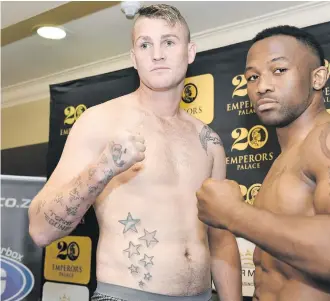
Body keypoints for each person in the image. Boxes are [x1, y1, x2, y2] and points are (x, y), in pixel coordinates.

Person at [28, 4, 242, 301]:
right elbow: (40, 230)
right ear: (134, 58)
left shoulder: (210, 141)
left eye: (168, 42)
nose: (157, 54)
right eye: (145, 44)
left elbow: (220, 238)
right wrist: (103, 167)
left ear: (190, 51)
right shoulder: (99, 121)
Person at [196, 25, 330, 301]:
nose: (262, 86)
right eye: (252, 77)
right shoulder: (285, 159)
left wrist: (233, 214)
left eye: (279, 70)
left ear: (318, 77)